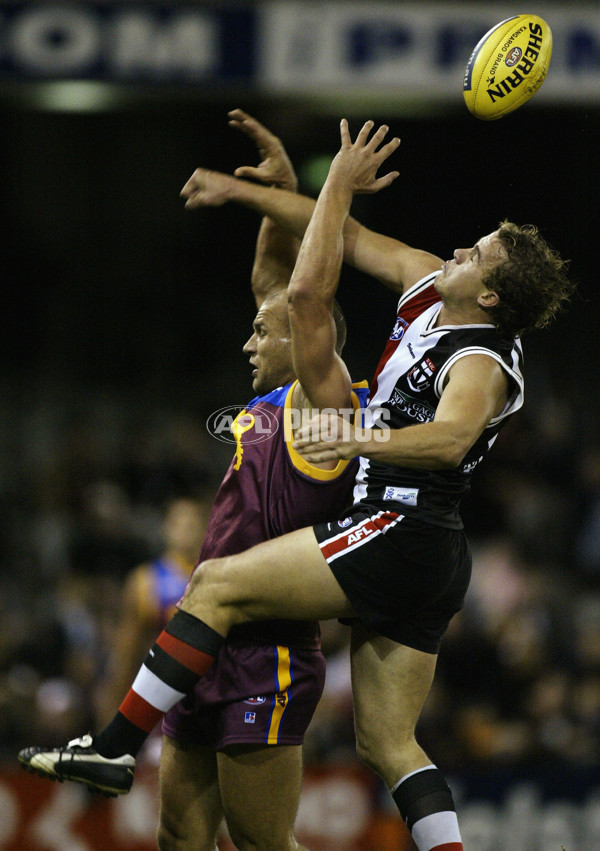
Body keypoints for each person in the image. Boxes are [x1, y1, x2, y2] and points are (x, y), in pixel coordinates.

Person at [20, 117, 573, 851]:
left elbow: (449, 439)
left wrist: (357, 434)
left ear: (494, 297)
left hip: (402, 525)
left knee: (213, 585)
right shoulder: (429, 289)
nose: (460, 250)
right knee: (387, 743)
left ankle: (117, 745)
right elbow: (332, 233)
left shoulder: (479, 356)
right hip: (421, 548)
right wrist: (259, 194)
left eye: (477, 254)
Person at [21, 110, 368, 851]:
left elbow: (304, 296)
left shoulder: (326, 402)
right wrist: (276, 192)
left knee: (261, 845)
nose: (247, 340)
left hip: (265, 652)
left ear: (308, 343)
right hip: (206, 645)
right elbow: (275, 283)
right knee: (180, 839)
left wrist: (312, 192)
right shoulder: (273, 397)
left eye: (260, 333)